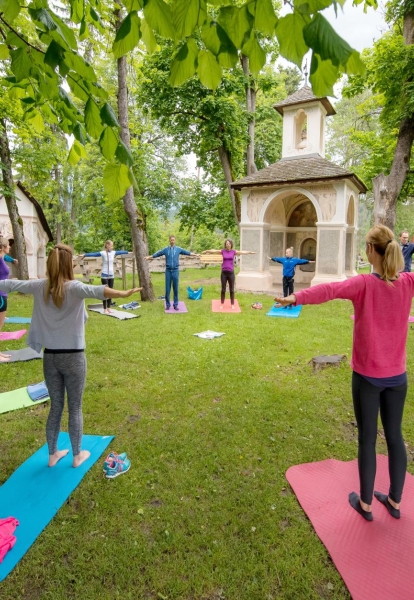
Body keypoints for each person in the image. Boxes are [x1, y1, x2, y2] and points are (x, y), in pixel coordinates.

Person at [274, 225, 412, 521]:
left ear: (372, 252)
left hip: (368, 379)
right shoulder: (408, 282)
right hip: (398, 379)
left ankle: (365, 504)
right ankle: (395, 502)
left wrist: (294, 298)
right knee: (395, 437)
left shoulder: (365, 283)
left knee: (367, 440)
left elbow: (329, 290)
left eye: (365, 246)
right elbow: (329, 289)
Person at [0, 244, 141, 467]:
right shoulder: (74, 287)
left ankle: (52, 455)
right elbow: (100, 291)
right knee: (74, 407)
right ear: (68, 265)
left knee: (56, 406)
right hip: (73, 358)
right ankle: (77, 456)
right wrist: (123, 293)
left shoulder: (40, 286)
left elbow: (10, 283)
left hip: (50, 358)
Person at [145, 236, 199, 310]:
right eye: (171, 240)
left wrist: (196, 255)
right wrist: (149, 257)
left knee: (175, 289)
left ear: (175, 241)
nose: (172, 241)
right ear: (169, 241)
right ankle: (168, 305)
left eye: (173, 240)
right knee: (167, 289)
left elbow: (187, 253)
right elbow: (158, 254)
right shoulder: (166, 250)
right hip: (168, 271)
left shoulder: (178, 249)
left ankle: (175, 305)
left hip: (175, 271)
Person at [202, 239, 256, 309]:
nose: (228, 245)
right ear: (225, 245)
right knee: (223, 289)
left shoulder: (233, 252)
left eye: (229, 243)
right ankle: (222, 304)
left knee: (232, 289)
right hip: (224, 273)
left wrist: (250, 252)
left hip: (231, 273)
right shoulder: (222, 251)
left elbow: (242, 252)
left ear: (231, 244)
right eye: (226, 243)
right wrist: (207, 251)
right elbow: (214, 251)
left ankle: (232, 304)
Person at [81, 241, 129, 314]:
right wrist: (85, 255)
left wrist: (128, 252)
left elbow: (121, 252)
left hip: (111, 275)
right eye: (111, 246)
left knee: (111, 292)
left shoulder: (113, 253)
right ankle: (104, 308)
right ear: (107, 245)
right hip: (104, 275)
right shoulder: (103, 253)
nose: (112, 247)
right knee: (105, 292)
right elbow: (94, 254)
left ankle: (109, 307)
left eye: (112, 246)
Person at [0, 238, 12, 362]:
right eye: (8, 245)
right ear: (3, 247)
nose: (10, 247)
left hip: (3, 295)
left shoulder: (2, 259)